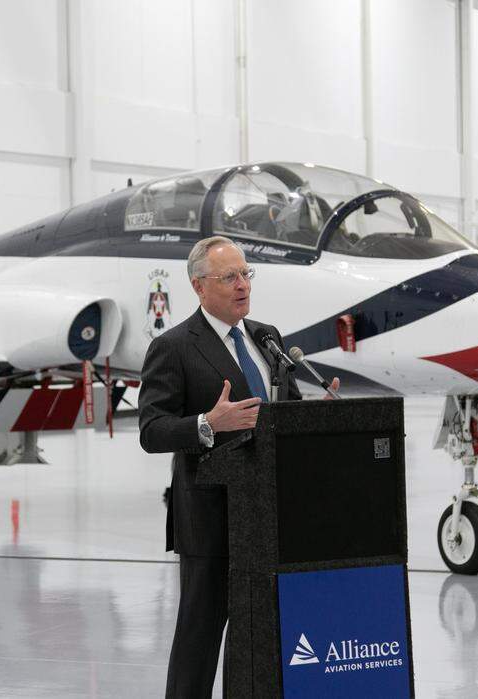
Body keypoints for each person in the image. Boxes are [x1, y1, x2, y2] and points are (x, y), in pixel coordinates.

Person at [138, 235, 338, 697]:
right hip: (210, 518)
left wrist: (321, 413)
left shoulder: (267, 338)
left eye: (246, 274)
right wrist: (208, 423)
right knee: (200, 638)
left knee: (265, 636)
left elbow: (283, 412)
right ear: (199, 287)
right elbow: (152, 430)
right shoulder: (174, 347)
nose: (242, 285)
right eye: (229, 277)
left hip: (268, 514)